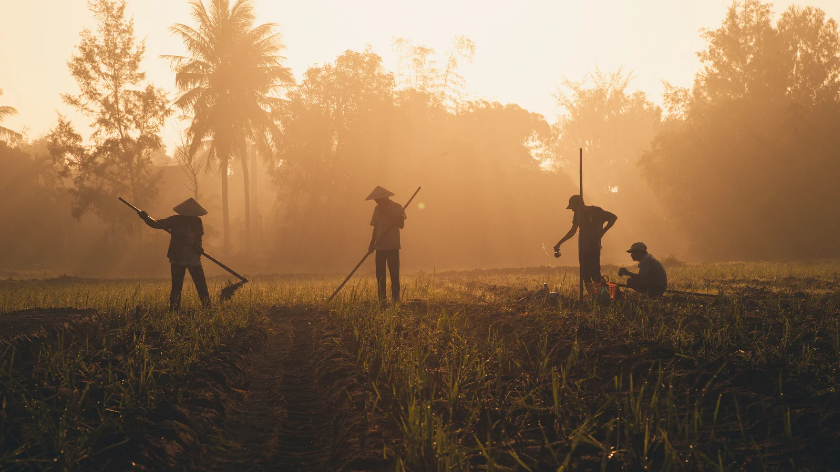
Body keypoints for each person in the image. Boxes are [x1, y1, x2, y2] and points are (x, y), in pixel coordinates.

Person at [139, 198, 211, 310]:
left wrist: (199, 247)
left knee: (201, 285)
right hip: (178, 257)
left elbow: (198, 238)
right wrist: (145, 217)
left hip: (193, 257)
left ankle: (207, 308)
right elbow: (157, 224)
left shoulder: (197, 221)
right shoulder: (175, 220)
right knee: (177, 286)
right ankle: (174, 309)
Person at [553, 195, 617, 287]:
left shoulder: (596, 211)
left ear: (579, 204)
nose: (572, 210)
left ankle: (601, 294)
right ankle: (592, 296)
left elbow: (613, 217)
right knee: (584, 274)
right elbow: (572, 231)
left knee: (595, 273)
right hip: (583, 247)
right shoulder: (577, 215)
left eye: (573, 207)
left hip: (594, 246)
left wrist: (602, 232)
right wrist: (559, 243)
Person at [366, 186, 407, 306]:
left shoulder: (397, 207)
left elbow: (401, 224)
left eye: (379, 199)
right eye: (376, 200)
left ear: (385, 198)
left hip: (392, 245)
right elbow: (375, 227)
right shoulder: (377, 209)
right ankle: (382, 299)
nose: (377, 202)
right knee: (380, 275)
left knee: (394, 273)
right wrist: (371, 243)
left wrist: (387, 212)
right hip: (379, 246)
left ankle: (396, 299)